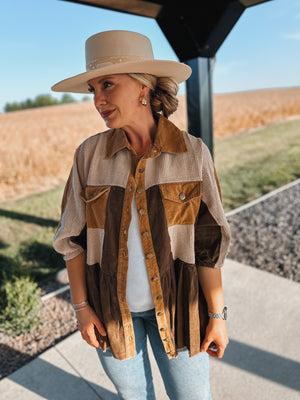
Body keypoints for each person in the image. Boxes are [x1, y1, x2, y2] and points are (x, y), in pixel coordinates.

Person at [52, 30, 231, 400]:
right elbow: (72, 240)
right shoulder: (89, 156)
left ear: (143, 88)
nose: (98, 100)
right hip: (112, 316)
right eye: (93, 90)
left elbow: (208, 243)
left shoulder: (192, 153)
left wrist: (217, 317)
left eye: (107, 85)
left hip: (181, 311)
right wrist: (82, 309)